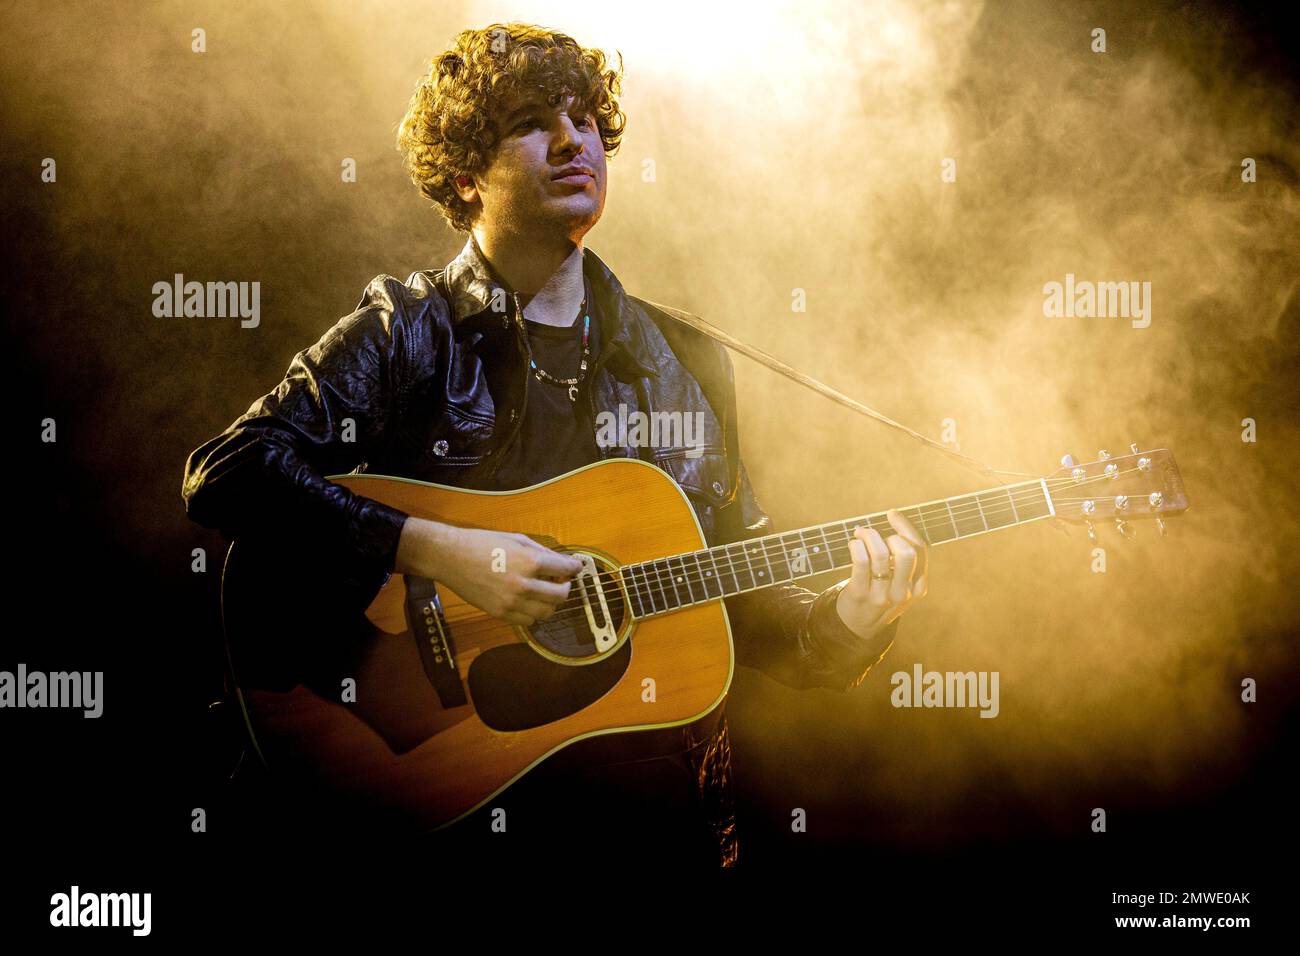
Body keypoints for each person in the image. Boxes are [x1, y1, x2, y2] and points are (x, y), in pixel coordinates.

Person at [181, 21, 929, 867]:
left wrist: (849, 624)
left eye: (584, 117)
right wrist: (446, 554)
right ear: (466, 173)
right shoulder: (410, 329)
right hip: (438, 802)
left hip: (640, 823)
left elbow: (736, 599)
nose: (574, 138)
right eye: (533, 119)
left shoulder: (682, 359)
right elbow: (226, 474)